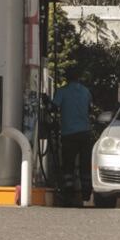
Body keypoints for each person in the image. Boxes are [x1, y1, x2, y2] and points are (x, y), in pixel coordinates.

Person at [52, 68, 94, 205]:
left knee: (68, 164)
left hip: (68, 133)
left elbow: (53, 108)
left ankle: (68, 191)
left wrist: (47, 101)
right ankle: (86, 191)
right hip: (85, 132)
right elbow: (90, 108)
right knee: (85, 163)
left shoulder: (62, 91)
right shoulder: (85, 91)